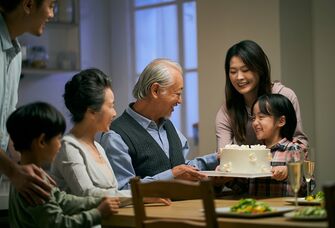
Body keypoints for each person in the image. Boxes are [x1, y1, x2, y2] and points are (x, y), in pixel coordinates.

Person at [50, 68, 170, 206]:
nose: (114, 113)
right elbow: (87, 194)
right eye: (111, 106)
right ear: (91, 112)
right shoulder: (68, 148)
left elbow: (114, 192)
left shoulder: (99, 147)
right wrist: (141, 195)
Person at [100, 58, 220, 190]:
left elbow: (182, 167)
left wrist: (217, 159)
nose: (180, 101)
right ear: (155, 90)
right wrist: (172, 176)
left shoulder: (168, 126)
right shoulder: (115, 136)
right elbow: (124, 190)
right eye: (177, 94)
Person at [6, 101, 120, 227]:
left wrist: (98, 201)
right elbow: (58, 224)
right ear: (42, 141)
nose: (61, 144)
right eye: (59, 138)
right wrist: (98, 213)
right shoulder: (34, 182)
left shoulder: (23, 176)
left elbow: (62, 200)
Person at [0, 0, 56, 205]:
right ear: (28, 4)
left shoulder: (15, 55)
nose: (51, 14)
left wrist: (28, 167)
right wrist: (14, 172)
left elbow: (7, 126)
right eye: (50, 5)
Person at [215, 40, 308, 149]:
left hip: (284, 163)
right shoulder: (227, 111)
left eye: (246, 70)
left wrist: (282, 163)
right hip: (249, 165)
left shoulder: (283, 96)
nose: (239, 77)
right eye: (233, 72)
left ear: (260, 69)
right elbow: (224, 154)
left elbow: (300, 143)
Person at [248, 94, 308, 196]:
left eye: (261, 117)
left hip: (286, 210)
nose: (255, 123)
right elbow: (243, 185)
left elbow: (307, 185)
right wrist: (224, 179)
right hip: (256, 210)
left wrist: (289, 172)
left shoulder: (294, 149)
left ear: (281, 121)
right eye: (253, 118)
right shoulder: (253, 152)